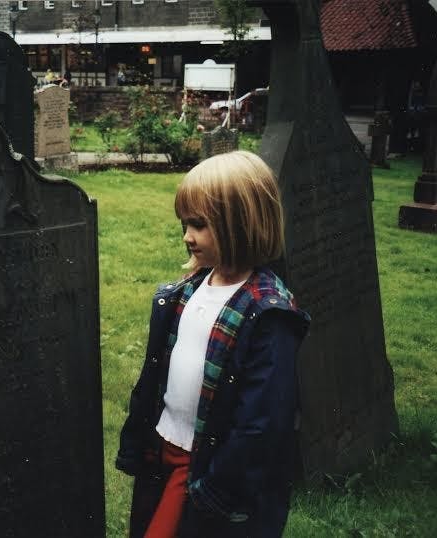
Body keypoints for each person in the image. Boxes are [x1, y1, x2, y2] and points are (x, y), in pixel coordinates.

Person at [116, 151, 310, 538]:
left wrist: (218, 488)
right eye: (185, 224)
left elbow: (262, 420)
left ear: (241, 223)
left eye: (199, 225)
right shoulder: (186, 292)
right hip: (163, 449)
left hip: (206, 463)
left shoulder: (268, 313)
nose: (187, 236)